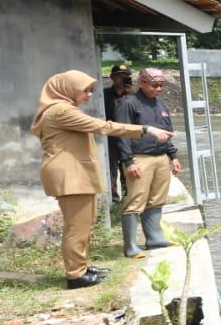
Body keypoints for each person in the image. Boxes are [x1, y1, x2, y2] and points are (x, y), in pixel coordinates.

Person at [30, 71, 170, 289]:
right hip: (69, 175)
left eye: (91, 90)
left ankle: (83, 266)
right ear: (66, 89)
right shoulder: (60, 111)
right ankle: (75, 275)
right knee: (77, 226)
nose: (89, 95)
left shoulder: (62, 109)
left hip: (75, 174)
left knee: (85, 223)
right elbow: (102, 126)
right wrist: (145, 129)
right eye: (84, 90)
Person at [117, 68, 183, 258]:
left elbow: (167, 133)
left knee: (157, 199)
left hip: (161, 157)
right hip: (140, 158)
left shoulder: (160, 104)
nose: (159, 89)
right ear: (142, 83)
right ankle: (130, 246)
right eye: (155, 85)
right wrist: (129, 161)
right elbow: (122, 134)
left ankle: (154, 238)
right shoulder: (129, 104)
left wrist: (173, 156)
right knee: (136, 200)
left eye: (161, 85)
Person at [102, 64, 131, 200]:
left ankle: (128, 196)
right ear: (113, 78)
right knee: (111, 170)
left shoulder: (133, 96)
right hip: (110, 139)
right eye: (120, 76)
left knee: (128, 169)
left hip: (128, 139)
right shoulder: (104, 95)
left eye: (126, 76)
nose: (123, 79)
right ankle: (114, 199)